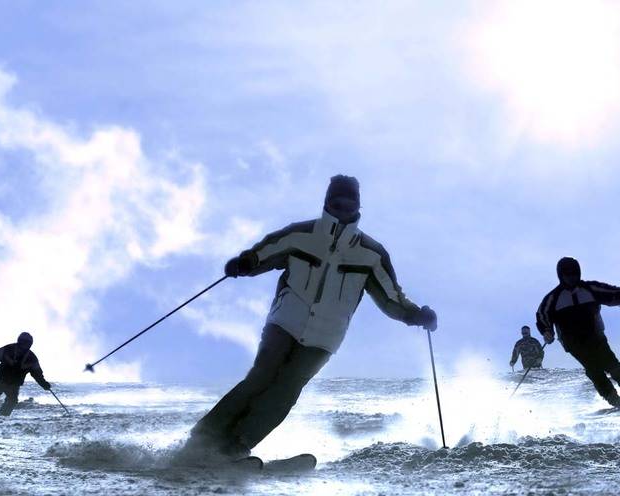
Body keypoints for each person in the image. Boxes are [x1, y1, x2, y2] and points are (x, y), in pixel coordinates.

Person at [181, 175, 437, 463]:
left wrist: (416, 315)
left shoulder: (371, 255)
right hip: (284, 321)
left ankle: (236, 445)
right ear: (327, 202)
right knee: (261, 376)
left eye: (349, 204)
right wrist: (246, 262)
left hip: (324, 337)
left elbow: (392, 298)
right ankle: (205, 438)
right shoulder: (301, 234)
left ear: (358, 207)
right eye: (336, 202)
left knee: (287, 389)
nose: (342, 208)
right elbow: (263, 253)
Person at [536, 257, 620, 408]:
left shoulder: (590, 289)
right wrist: (547, 331)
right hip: (573, 342)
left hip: (596, 336)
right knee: (593, 368)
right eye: (567, 274)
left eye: (574, 273)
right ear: (561, 276)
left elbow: (611, 292)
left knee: (612, 365)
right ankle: (613, 399)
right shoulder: (553, 298)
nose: (571, 277)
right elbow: (543, 315)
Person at [0, 332, 51, 417]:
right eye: (22, 343)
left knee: (11, 402)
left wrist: (44, 384)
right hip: (0, 381)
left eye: (26, 344)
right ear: (19, 341)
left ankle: (1, 417)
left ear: (29, 345)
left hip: (14, 385)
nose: (23, 346)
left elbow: (37, 374)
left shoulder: (31, 358)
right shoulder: (8, 349)